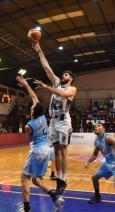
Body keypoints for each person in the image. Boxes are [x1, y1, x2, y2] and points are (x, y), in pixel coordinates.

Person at [32, 42, 77, 194]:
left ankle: (64, 179)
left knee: (63, 150)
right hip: (53, 121)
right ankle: (59, 179)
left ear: (70, 78)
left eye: (66, 74)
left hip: (64, 122)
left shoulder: (72, 88)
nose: (63, 75)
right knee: (56, 151)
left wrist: (45, 87)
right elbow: (47, 68)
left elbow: (63, 94)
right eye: (63, 74)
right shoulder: (57, 82)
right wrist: (39, 50)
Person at [16, 76, 64, 212]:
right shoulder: (43, 116)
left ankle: (26, 208)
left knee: (25, 178)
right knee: (36, 180)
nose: (31, 106)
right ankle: (55, 197)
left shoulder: (28, 125)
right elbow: (34, 96)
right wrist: (25, 83)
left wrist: (25, 83)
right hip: (47, 150)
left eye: (32, 107)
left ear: (33, 112)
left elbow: (29, 140)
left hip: (37, 150)